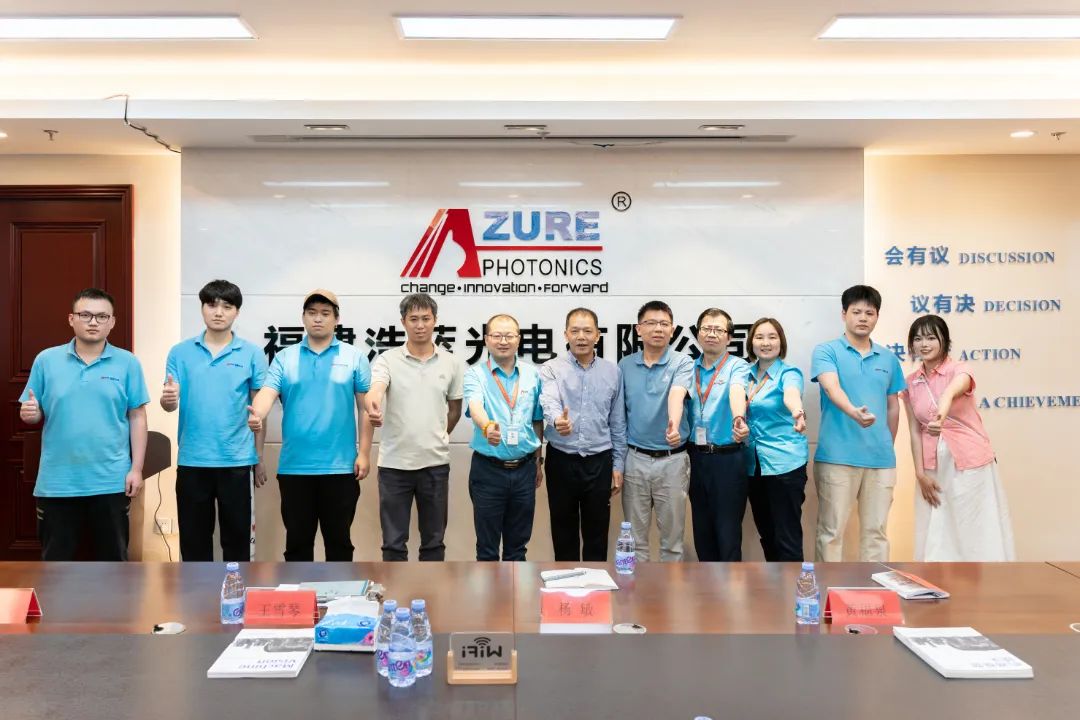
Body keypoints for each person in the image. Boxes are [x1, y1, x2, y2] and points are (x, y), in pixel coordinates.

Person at [19, 288, 149, 561]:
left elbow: (137, 416)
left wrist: (136, 469)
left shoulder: (127, 363)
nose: (93, 322)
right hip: (57, 482)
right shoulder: (46, 360)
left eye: (102, 316)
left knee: (113, 565)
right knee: (55, 567)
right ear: (71, 319)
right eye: (85, 315)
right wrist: (30, 414)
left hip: (111, 480)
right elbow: (32, 411)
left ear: (112, 322)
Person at [247, 289, 372, 561]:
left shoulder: (354, 356)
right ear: (303, 317)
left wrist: (364, 453)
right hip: (295, 468)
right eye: (312, 313)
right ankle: (298, 592)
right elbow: (267, 393)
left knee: (339, 544)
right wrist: (257, 413)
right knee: (297, 545)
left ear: (336, 319)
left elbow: (366, 409)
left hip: (340, 468)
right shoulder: (285, 357)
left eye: (325, 313)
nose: (318, 319)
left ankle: (341, 591)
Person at [161, 279, 268, 562]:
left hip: (237, 461)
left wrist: (259, 457)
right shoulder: (180, 352)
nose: (218, 312)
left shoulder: (252, 353)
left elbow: (258, 410)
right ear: (202, 308)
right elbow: (168, 404)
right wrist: (168, 400)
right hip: (193, 460)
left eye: (227, 306)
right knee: (194, 542)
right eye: (211, 305)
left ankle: (237, 590)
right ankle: (196, 592)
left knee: (238, 541)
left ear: (237, 312)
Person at [902, 314, 1015, 561]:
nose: (924, 344)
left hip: (968, 460)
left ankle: (982, 580)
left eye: (931, 337)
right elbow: (914, 430)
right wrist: (920, 474)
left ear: (945, 340)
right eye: (918, 339)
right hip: (931, 465)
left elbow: (951, 393)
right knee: (934, 525)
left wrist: (939, 418)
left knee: (972, 524)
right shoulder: (910, 382)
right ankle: (936, 579)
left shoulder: (960, 370)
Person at [363, 293, 464, 561]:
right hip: (394, 465)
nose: (420, 325)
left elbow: (455, 410)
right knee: (393, 544)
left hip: (435, 464)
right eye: (414, 319)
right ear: (403, 322)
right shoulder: (387, 359)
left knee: (434, 542)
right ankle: (395, 589)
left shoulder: (451, 362)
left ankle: (433, 588)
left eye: (426, 319)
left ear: (435, 321)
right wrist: (373, 403)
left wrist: (439, 435)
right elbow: (376, 389)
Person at [811, 285, 906, 562]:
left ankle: (875, 587)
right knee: (831, 532)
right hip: (837, 457)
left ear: (877, 317)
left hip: (880, 461)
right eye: (856, 312)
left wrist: (885, 445)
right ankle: (829, 587)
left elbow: (893, 406)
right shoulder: (826, 351)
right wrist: (853, 412)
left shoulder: (888, 358)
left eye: (869, 313)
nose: (863, 318)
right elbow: (831, 387)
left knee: (877, 533)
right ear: (844, 314)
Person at [539, 307, 627, 561]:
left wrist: (618, 464)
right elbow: (549, 401)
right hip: (561, 459)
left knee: (597, 534)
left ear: (597, 335)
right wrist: (558, 420)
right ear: (565, 334)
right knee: (563, 531)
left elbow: (618, 422)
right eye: (575, 331)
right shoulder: (551, 368)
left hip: (600, 461)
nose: (581, 337)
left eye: (587, 331)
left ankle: (595, 583)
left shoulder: (612, 371)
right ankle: (565, 583)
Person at [669, 308, 751, 561]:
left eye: (718, 330)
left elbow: (736, 391)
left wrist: (738, 418)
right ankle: (706, 585)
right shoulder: (688, 367)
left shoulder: (737, 366)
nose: (711, 334)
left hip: (728, 458)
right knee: (702, 531)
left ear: (729, 337)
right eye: (706, 328)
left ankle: (731, 586)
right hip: (695, 457)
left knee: (727, 532)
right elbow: (677, 396)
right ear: (698, 333)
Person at [463, 314, 544, 561]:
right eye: (497, 335)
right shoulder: (475, 374)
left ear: (519, 339)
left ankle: (516, 589)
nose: (503, 341)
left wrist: (538, 461)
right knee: (487, 549)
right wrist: (487, 426)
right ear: (486, 339)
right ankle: (489, 590)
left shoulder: (533, 375)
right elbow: (475, 405)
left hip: (525, 470)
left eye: (509, 335)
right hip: (488, 471)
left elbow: (537, 420)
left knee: (517, 549)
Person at [618, 300, 694, 562]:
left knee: (672, 542)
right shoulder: (625, 365)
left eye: (664, 324)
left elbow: (677, 393)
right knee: (634, 541)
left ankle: (670, 590)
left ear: (672, 329)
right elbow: (619, 415)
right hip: (634, 459)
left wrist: (673, 423)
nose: (658, 329)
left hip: (672, 460)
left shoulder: (682, 362)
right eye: (651, 323)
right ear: (638, 329)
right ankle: (636, 589)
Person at [743, 317, 810, 561]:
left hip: (785, 464)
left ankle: (795, 585)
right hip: (753, 465)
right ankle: (774, 584)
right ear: (751, 342)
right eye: (759, 337)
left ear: (781, 342)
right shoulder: (745, 374)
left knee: (786, 536)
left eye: (772, 337)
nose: (766, 343)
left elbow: (791, 394)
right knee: (767, 535)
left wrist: (797, 412)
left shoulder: (788, 373)